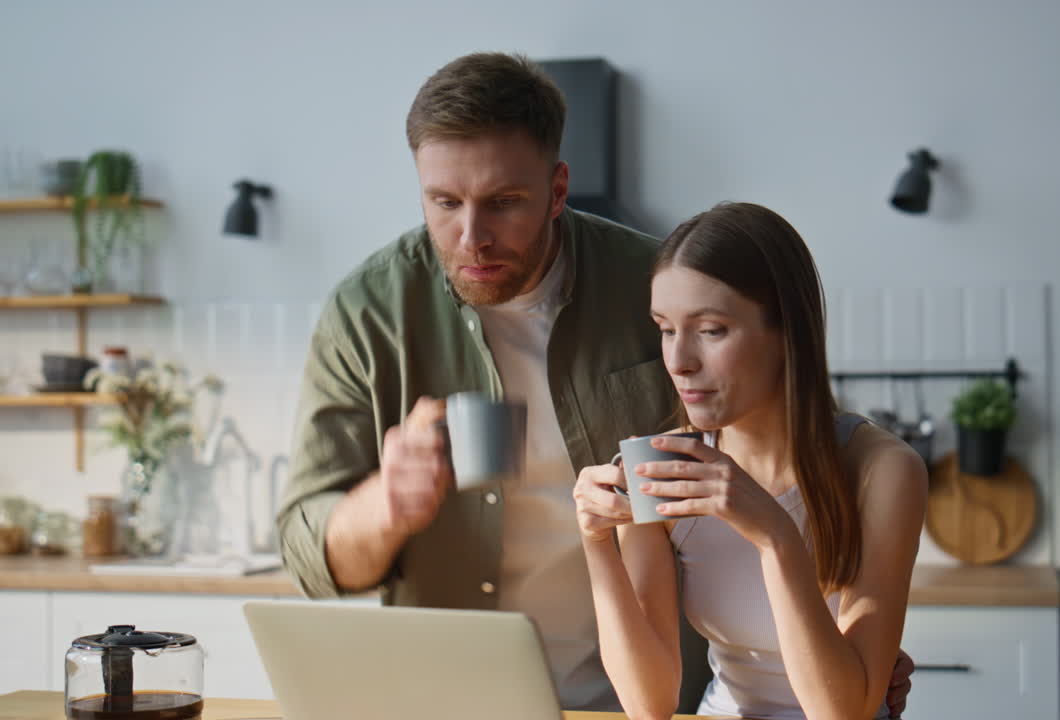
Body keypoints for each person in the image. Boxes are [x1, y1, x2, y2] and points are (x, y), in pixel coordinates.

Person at [276, 51, 916, 714]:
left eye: (504, 203)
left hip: (648, 698)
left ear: (557, 189)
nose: (471, 238)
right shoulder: (369, 314)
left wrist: (850, 654)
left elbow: (794, 450)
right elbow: (308, 559)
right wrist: (384, 506)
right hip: (449, 697)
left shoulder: (655, 279)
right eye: (443, 202)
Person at [573, 202, 929, 720]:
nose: (679, 361)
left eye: (711, 330)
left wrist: (775, 535)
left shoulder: (883, 471)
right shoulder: (664, 466)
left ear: (789, 332)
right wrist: (596, 542)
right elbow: (648, 704)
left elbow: (844, 712)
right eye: (667, 329)